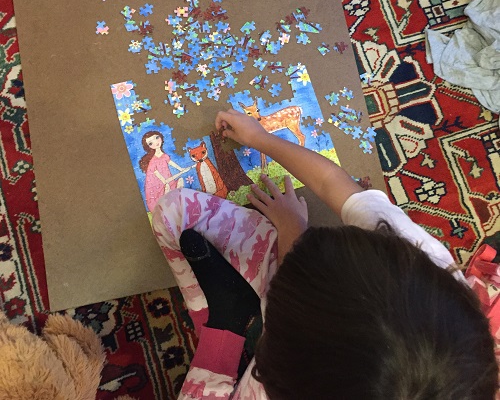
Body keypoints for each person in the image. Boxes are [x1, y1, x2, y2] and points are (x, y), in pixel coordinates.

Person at [151, 109, 498, 399]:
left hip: (284, 376)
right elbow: (332, 181)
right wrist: (261, 139)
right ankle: (241, 314)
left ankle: (224, 328)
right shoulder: (413, 262)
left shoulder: (290, 377)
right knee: (171, 212)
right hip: (304, 340)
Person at [140, 130, 188, 212]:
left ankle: (178, 201)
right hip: (159, 188)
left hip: (170, 182)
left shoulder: (164, 156)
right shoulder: (152, 162)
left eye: (156, 137)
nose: (156, 142)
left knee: (180, 181)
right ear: (149, 147)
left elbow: (172, 164)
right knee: (167, 187)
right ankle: (170, 206)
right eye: (151, 143)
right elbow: (163, 180)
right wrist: (172, 178)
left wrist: (181, 169)